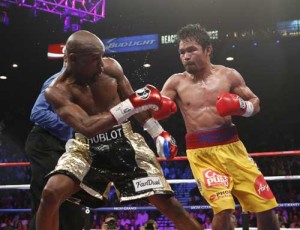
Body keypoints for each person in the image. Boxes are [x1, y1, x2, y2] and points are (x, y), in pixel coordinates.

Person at [35, 30, 202, 230]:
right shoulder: (56, 91)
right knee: (50, 194)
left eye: (101, 57)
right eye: (95, 59)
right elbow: (87, 127)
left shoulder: (111, 67)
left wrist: (157, 133)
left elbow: (134, 100)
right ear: (73, 59)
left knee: (170, 206)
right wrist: (129, 106)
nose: (101, 63)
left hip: (125, 143)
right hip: (86, 148)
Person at [156, 24, 280, 230]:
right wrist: (153, 119)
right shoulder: (175, 82)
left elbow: (254, 101)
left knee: (265, 204)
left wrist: (244, 107)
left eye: (191, 50)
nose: (185, 56)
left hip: (233, 148)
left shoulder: (228, 75)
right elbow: (158, 109)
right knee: (223, 209)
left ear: (208, 50)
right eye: (182, 52)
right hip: (201, 154)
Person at [24, 49, 84, 230]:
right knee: (50, 199)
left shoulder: (79, 85)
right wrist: (68, 123)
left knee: (62, 202)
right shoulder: (58, 81)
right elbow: (37, 113)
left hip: (59, 144)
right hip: (44, 142)